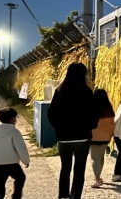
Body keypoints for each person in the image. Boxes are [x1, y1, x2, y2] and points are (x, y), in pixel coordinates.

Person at [48, 62, 98, 199]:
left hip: (63, 138)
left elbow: (51, 112)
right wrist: (91, 126)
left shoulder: (60, 90)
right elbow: (93, 113)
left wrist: (58, 127)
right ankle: (75, 196)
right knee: (79, 169)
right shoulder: (87, 91)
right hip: (82, 137)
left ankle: (63, 196)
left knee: (65, 168)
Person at [0, 108, 30, 199]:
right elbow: (21, 148)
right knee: (20, 178)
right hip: (12, 163)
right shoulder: (14, 132)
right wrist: (26, 160)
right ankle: (16, 196)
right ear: (12, 119)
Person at [90, 89, 115, 188]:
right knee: (100, 157)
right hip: (106, 137)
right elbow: (113, 123)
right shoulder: (108, 109)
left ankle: (97, 178)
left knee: (94, 158)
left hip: (94, 137)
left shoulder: (92, 108)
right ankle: (98, 176)